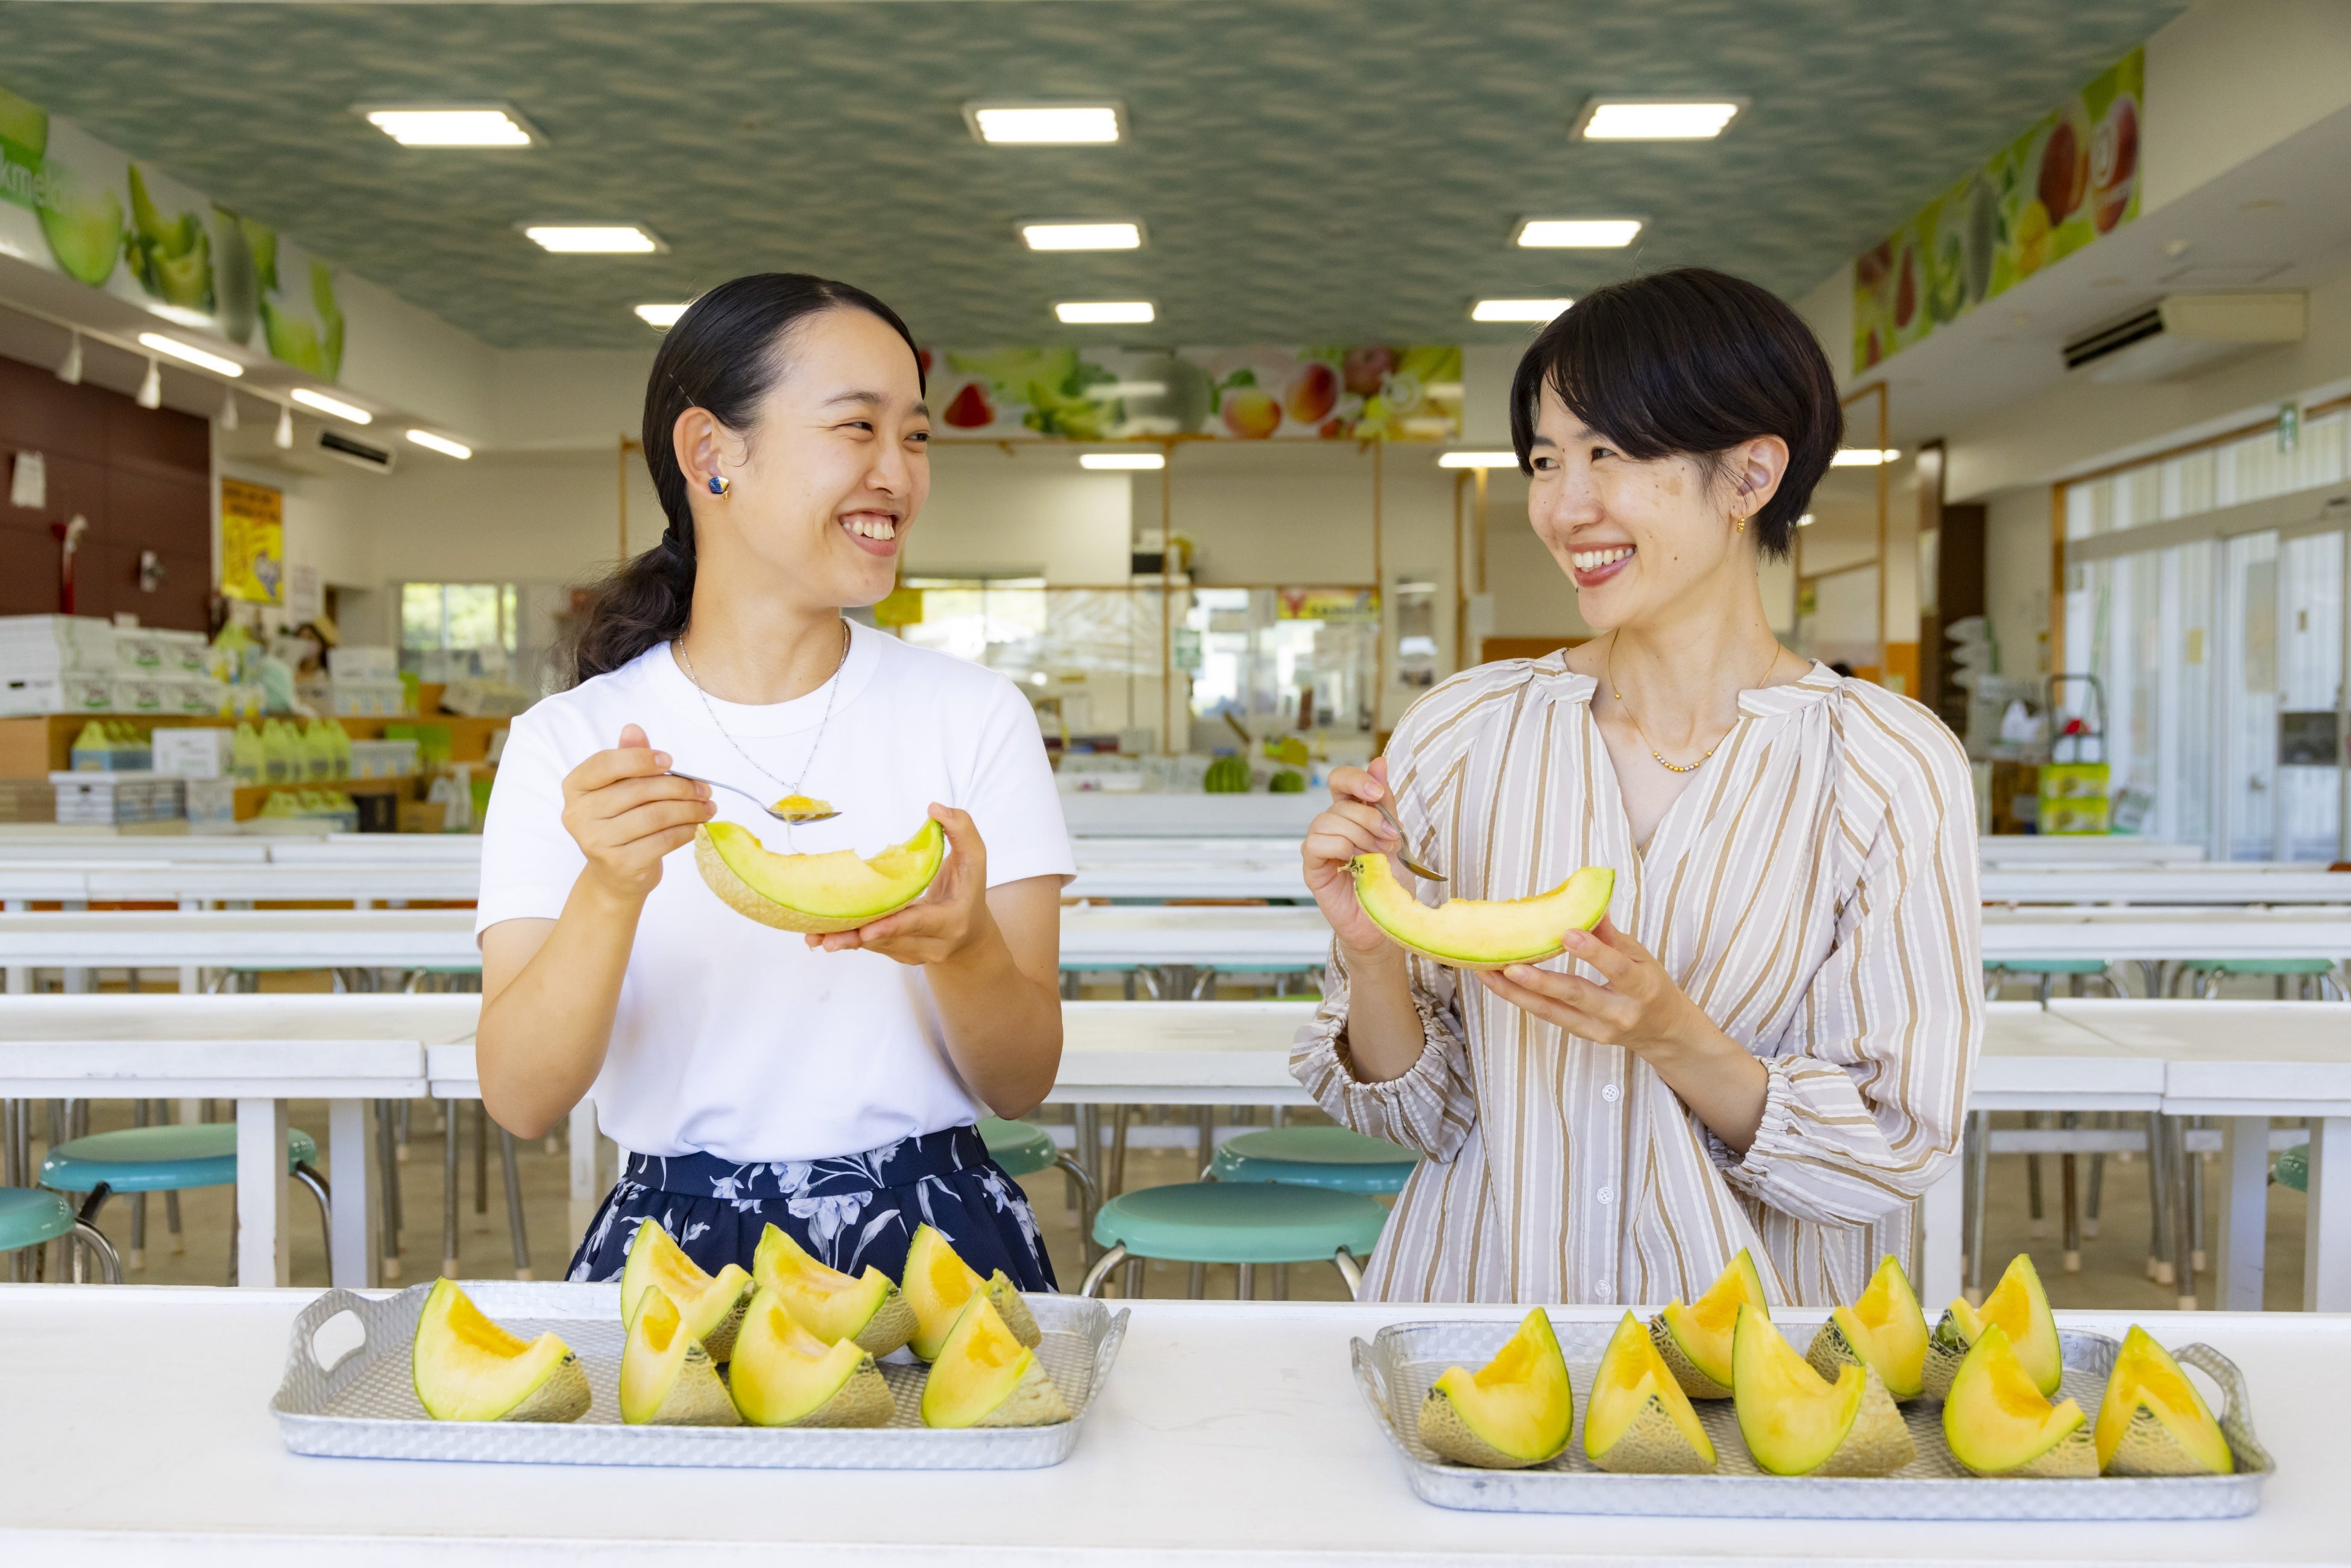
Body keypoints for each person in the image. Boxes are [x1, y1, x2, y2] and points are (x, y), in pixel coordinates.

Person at [1295, 268, 1980, 1306]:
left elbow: (1894, 1144)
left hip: (1753, 1372)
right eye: (1544, 459)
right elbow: (1415, 1117)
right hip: (1480, 1324)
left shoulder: (1887, 765)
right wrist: (1373, 952)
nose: (1567, 506)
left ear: (1749, 477)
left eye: (1611, 452)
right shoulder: (1463, 733)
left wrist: (1674, 1034)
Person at [474, 273, 1070, 1290]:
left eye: (917, 437)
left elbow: (1019, 1082)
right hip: (675, 1251)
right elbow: (523, 1098)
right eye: (857, 428)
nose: (899, 474)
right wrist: (609, 887)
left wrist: (965, 948)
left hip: (938, 1241)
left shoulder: (973, 717)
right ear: (712, 454)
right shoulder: (569, 744)